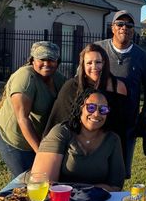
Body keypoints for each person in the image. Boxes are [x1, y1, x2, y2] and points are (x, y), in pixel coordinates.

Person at [44, 43, 130, 176]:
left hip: (106, 149)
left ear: (105, 63)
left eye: (98, 62)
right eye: (89, 63)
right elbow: (59, 121)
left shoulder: (118, 87)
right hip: (74, 151)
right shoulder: (71, 87)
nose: (94, 67)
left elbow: (121, 125)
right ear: (82, 65)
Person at [96, 10, 146, 177]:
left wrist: (144, 114)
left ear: (133, 30)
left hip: (128, 123)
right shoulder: (99, 50)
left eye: (129, 25)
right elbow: (82, 76)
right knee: (98, 166)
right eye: (120, 24)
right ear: (112, 28)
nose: (124, 28)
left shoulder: (141, 56)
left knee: (120, 170)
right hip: (99, 119)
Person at [0, 41, 66, 178]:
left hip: (39, 137)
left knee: (43, 178)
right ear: (32, 60)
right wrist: (40, 153)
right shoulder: (25, 78)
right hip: (15, 139)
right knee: (26, 180)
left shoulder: (57, 78)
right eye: (42, 59)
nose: (46, 63)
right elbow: (22, 118)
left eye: (51, 59)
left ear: (58, 62)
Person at [33, 88, 125, 192]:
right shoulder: (61, 132)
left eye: (103, 109)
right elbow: (45, 183)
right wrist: (82, 193)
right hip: (59, 199)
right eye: (91, 107)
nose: (96, 114)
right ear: (80, 108)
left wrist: (86, 194)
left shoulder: (112, 140)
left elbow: (116, 186)